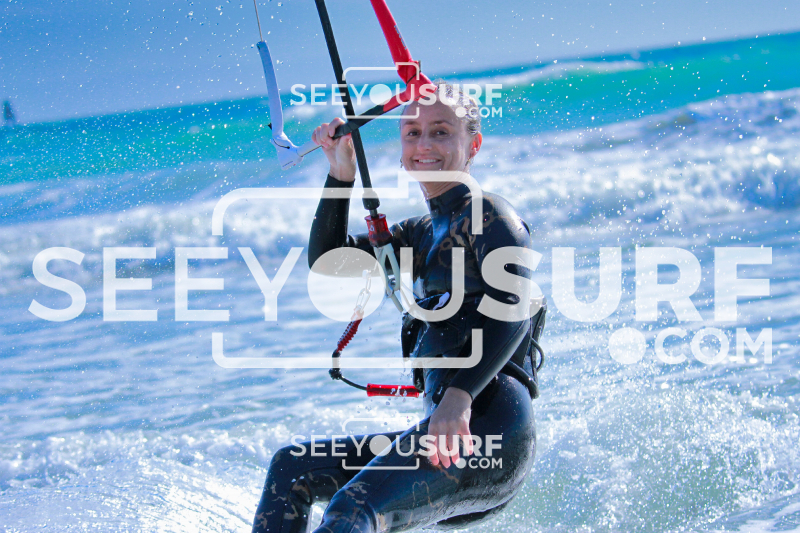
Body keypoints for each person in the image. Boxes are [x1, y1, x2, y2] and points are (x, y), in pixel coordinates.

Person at [252, 82, 543, 533]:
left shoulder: (490, 215)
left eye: (441, 132)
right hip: (445, 426)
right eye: (412, 133)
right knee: (292, 468)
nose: (424, 145)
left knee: (353, 510)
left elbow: (514, 304)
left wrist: (459, 397)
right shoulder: (419, 234)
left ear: (473, 145)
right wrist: (341, 173)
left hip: (490, 427)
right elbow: (328, 263)